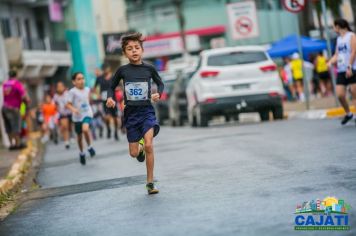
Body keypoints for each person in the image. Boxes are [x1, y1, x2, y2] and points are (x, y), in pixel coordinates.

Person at [106, 32, 164, 194]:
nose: (134, 51)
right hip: (131, 114)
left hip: (146, 111)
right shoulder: (123, 71)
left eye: (137, 48)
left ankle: (150, 183)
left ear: (142, 50)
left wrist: (158, 93)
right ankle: (139, 148)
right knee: (133, 153)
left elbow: (160, 84)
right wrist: (110, 98)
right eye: (130, 49)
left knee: (149, 145)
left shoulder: (149, 68)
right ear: (125, 53)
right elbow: (111, 87)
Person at [328, 19, 356, 125]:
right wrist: (330, 62)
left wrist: (349, 66)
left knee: (354, 93)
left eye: (334, 26)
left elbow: (354, 51)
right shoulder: (339, 39)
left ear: (338, 26)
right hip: (341, 69)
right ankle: (349, 113)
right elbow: (337, 54)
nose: (334, 29)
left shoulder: (351, 36)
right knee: (340, 94)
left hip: (352, 68)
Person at [66, 72, 96, 165]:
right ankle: (82, 153)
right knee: (79, 137)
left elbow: (88, 100)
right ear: (74, 82)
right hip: (77, 117)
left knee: (85, 129)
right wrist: (74, 109)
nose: (81, 80)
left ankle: (90, 147)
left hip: (87, 113)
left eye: (82, 78)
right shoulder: (72, 92)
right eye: (78, 79)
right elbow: (68, 104)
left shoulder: (87, 89)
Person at [1, 70, 30, 150]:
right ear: (16, 75)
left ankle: (11, 145)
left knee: (8, 126)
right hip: (14, 108)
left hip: (4, 108)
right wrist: (26, 104)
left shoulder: (4, 84)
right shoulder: (17, 83)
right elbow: (24, 96)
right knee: (16, 126)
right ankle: (17, 144)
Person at [94, 65, 120, 140]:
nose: (105, 71)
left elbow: (119, 86)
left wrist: (117, 89)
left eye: (107, 69)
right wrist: (97, 94)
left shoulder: (113, 77)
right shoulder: (99, 78)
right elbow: (95, 87)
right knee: (107, 117)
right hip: (104, 100)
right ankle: (108, 128)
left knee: (115, 118)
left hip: (113, 100)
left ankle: (116, 132)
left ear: (109, 69)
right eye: (104, 69)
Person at [53, 81, 72, 149]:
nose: (60, 88)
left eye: (61, 86)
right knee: (64, 126)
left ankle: (71, 135)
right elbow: (55, 105)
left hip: (70, 112)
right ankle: (66, 141)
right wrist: (57, 109)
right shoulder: (55, 96)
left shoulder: (67, 94)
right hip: (62, 113)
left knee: (70, 127)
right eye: (58, 87)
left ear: (64, 87)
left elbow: (71, 102)